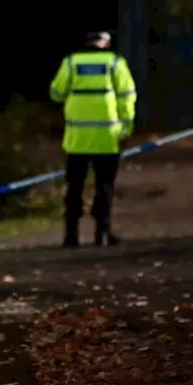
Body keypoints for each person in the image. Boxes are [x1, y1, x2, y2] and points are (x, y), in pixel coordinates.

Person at [48, 31, 137, 248]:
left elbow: (56, 93)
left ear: (87, 43)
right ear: (106, 44)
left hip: (77, 138)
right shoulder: (115, 62)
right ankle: (102, 233)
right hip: (107, 137)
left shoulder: (71, 62)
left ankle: (71, 235)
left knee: (74, 185)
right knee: (104, 185)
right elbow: (127, 96)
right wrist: (126, 129)